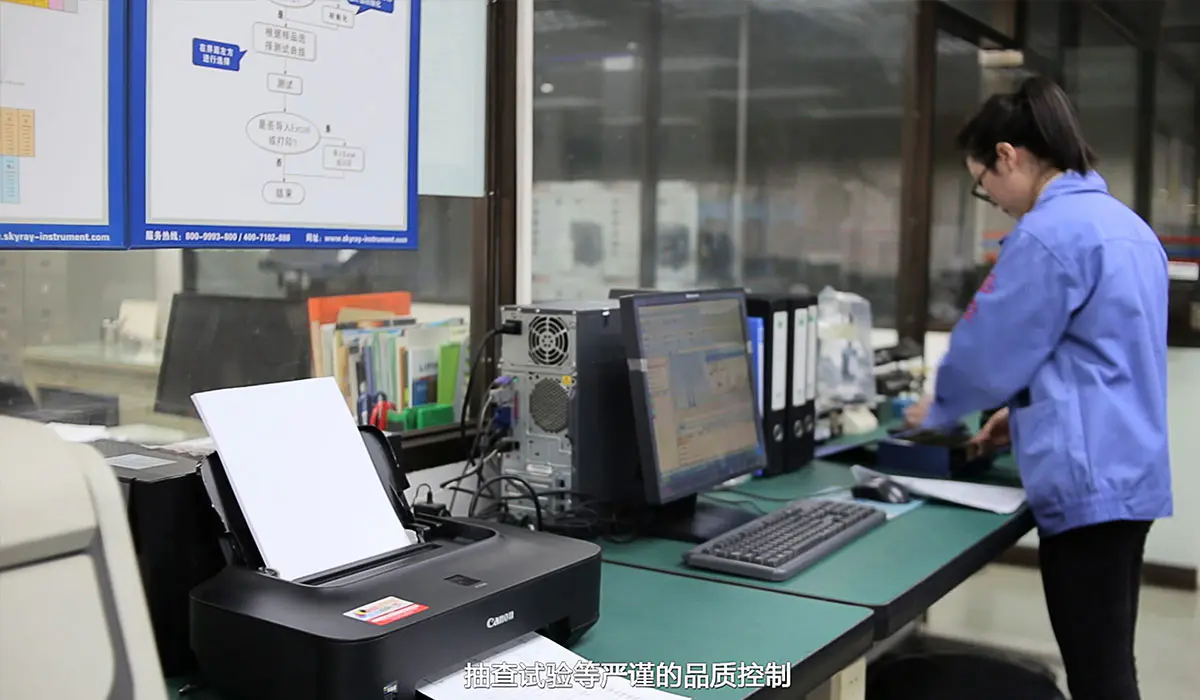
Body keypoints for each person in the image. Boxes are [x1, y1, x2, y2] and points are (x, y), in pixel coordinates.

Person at [905, 76, 1172, 700]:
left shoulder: (1049, 233)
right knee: (1108, 661)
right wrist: (1020, 417)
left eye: (983, 184)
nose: (992, 200)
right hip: (1128, 474)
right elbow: (1098, 356)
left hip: (1087, 483)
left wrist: (938, 406)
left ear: (1007, 156)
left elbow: (991, 346)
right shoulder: (1128, 227)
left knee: (1100, 675)